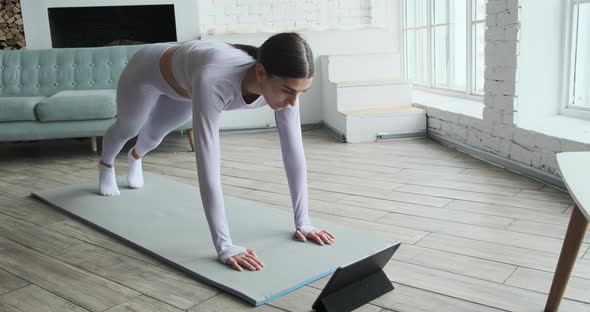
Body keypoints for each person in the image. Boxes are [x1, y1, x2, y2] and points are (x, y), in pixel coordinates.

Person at [97, 32, 335, 271]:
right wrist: (225, 246)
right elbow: (208, 163)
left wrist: (303, 222)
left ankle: (136, 157)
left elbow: (294, 153)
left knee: (155, 136)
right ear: (261, 73)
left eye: (300, 93)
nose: (293, 102)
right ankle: (106, 164)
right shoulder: (215, 78)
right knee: (129, 127)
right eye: (288, 91)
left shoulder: (284, 87)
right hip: (147, 69)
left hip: (186, 84)